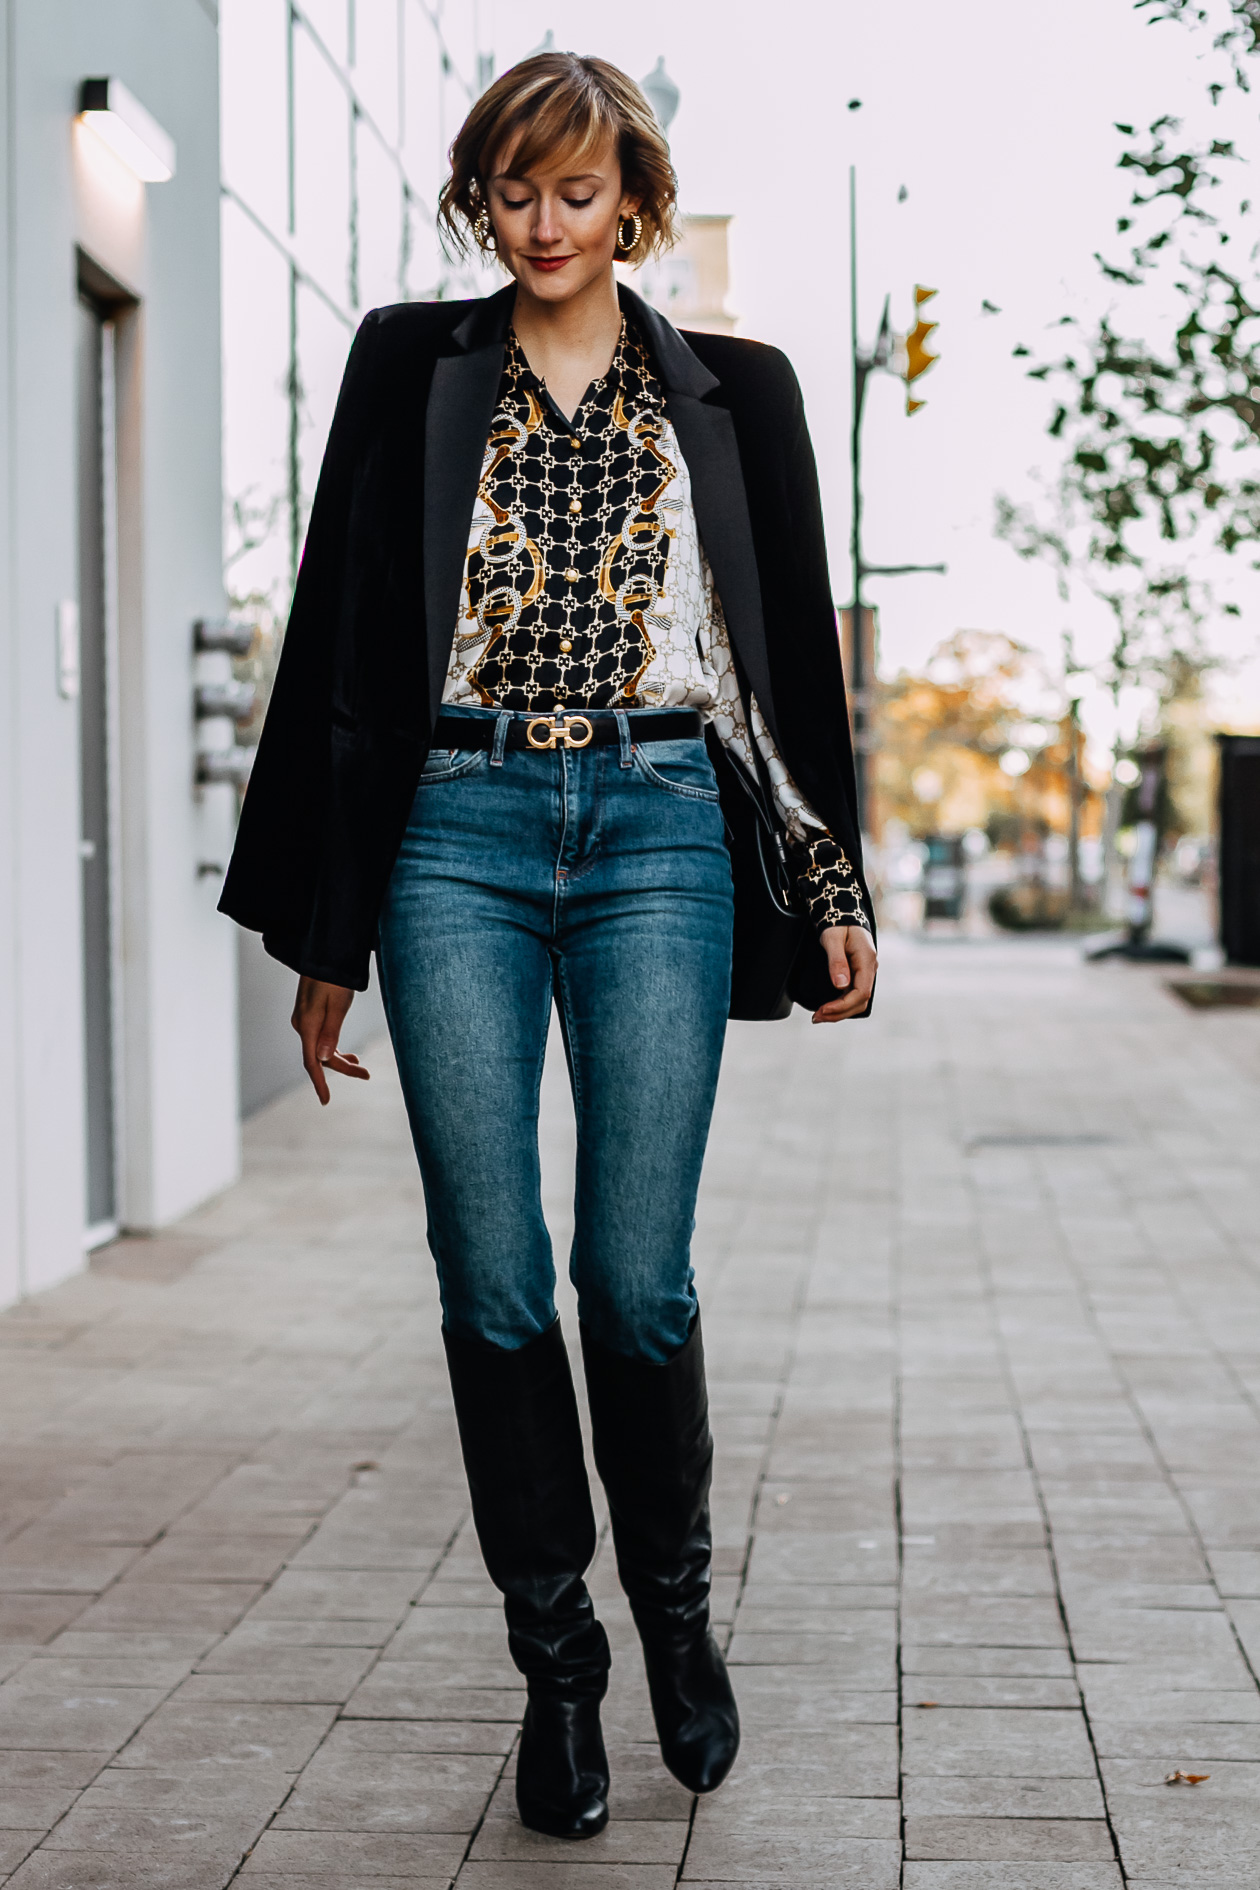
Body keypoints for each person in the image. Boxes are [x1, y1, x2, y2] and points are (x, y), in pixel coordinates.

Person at [220, 49, 877, 1842]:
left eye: (576, 193)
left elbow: (780, 667)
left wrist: (830, 880)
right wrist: (324, 930)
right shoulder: (405, 369)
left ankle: (676, 1613)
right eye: (513, 193)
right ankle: (557, 1662)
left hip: (662, 832)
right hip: (457, 837)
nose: (543, 224)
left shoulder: (735, 390)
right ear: (483, 201)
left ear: (635, 204)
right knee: (493, 1273)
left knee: (633, 1275)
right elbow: (341, 642)